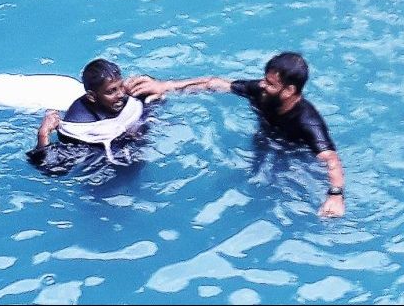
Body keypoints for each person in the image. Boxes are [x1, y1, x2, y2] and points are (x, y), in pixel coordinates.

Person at [127, 53, 346, 218]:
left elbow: (331, 159)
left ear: (289, 91)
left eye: (270, 84)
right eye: (264, 79)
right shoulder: (261, 92)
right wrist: (166, 86)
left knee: (278, 190)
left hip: (293, 154)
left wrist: (335, 195)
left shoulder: (308, 121)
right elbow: (214, 84)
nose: (262, 84)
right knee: (253, 179)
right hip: (265, 139)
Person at [30, 58, 149, 170]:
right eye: (111, 91)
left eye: (121, 87)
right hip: (103, 174)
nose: (121, 95)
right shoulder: (78, 129)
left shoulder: (127, 100)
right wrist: (43, 134)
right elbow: (51, 168)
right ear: (92, 96)